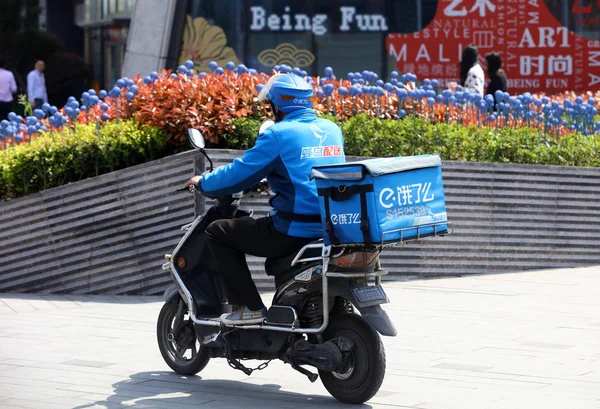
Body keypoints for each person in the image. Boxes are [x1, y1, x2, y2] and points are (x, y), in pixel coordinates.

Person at [183, 73, 345, 325]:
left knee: (217, 232)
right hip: (330, 228)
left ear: (276, 105)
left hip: (293, 230)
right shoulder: (331, 129)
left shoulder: (278, 134)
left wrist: (203, 182)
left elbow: (240, 173)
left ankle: (250, 308)